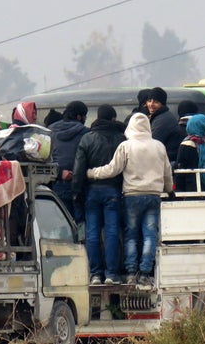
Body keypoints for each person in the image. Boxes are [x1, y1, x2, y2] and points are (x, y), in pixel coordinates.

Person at [87, 112, 173, 290]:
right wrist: (169, 188)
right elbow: (167, 172)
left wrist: (91, 173)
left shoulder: (126, 146)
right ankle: (144, 273)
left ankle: (131, 273)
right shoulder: (159, 146)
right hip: (153, 196)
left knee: (131, 236)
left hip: (132, 196)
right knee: (150, 235)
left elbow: (112, 169)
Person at [72, 104, 126, 285]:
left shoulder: (87, 139)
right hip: (113, 191)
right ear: (113, 119)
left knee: (92, 233)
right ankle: (111, 273)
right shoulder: (121, 139)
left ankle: (95, 274)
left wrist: (76, 192)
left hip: (92, 192)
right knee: (111, 232)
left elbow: (79, 169)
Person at [49, 100, 90, 222]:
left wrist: (60, 173)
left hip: (56, 182)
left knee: (60, 221)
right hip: (78, 184)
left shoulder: (50, 131)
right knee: (79, 222)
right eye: (85, 116)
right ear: (79, 116)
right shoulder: (85, 133)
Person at [146, 87, 182, 164]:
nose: (151, 104)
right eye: (149, 101)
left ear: (162, 103)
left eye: (155, 102)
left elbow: (153, 142)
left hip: (166, 161)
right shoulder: (159, 116)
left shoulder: (162, 120)